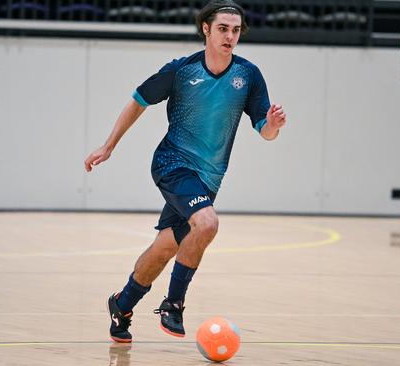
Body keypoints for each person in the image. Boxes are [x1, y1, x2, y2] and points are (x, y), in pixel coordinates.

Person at [84, 0, 287, 343]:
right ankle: (173, 304)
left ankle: (122, 304)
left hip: (207, 178)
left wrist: (273, 125)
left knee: (165, 247)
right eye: (223, 28)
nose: (230, 36)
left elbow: (265, 132)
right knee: (207, 223)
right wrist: (109, 145)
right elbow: (138, 99)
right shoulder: (182, 70)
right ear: (206, 29)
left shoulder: (248, 75)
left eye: (236, 30)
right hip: (172, 164)